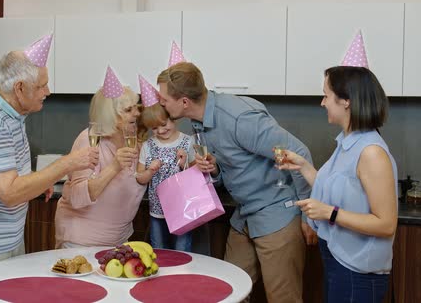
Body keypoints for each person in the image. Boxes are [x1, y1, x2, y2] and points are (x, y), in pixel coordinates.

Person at [0, 35, 99, 303]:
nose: (48, 91)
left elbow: (10, 170)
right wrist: (66, 163)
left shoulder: (12, 110)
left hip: (5, 233)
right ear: (19, 88)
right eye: (42, 86)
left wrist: (36, 180)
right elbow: (10, 192)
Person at [156, 61, 317, 303]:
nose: (161, 103)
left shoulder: (240, 119)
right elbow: (231, 165)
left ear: (184, 101)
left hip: (277, 215)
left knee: (283, 299)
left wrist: (308, 215)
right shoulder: (198, 120)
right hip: (244, 217)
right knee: (228, 293)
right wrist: (214, 168)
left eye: (164, 99)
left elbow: (298, 153)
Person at [281, 66, 398, 303]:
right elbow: (335, 192)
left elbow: (386, 224)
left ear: (347, 101)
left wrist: (329, 213)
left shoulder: (371, 152)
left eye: (326, 95)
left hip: (358, 273)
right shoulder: (347, 143)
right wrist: (304, 167)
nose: (322, 103)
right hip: (339, 261)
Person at [55, 67, 145, 248]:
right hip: (81, 242)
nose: (136, 113)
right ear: (110, 116)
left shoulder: (135, 141)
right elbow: (78, 197)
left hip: (119, 241)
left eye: (137, 107)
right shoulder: (90, 141)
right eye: (128, 110)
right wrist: (114, 167)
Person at [135, 76, 195, 251]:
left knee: (183, 251)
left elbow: (196, 176)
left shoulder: (188, 142)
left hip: (183, 210)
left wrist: (184, 164)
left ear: (174, 118)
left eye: (164, 124)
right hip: (157, 211)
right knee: (159, 251)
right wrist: (150, 171)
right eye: (154, 128)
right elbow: (140, 178)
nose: (160, 131)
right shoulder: (148, 146)